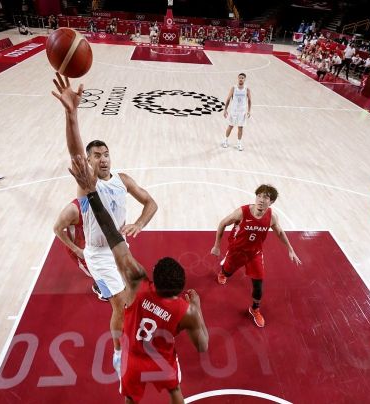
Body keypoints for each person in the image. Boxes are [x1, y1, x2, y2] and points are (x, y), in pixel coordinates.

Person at [68, 155, 209, 404]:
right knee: (176, 393)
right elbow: (202, 347)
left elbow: (112, 234)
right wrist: (198, 312)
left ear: (153, 276)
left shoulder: (137, 284)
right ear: (179, 288)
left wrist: (91, 194)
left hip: (133, 358)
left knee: (131, 399)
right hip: (162, 361)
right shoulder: (185, 310)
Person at [51, 72, 158, 373]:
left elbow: (152, 203)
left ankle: (126, 335)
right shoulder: (87, 184)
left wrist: (139, 223)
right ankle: (118, 349)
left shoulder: (123, 180)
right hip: (98, 253)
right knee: (121, 303)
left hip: (120, 248)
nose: (103, 158)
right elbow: (74, 150)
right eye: (96, 155)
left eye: (106, 154)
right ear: (88, 161)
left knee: (134, 298)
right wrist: (72, 116)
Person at [210, 184, 302, 328]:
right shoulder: (242, 212)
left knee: (258, 285)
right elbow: (222, 223)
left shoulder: (272, 216)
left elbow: (279, 232)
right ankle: (223, 272)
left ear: (271, 202)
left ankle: (254, 309)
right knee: (227, 272)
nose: (260, 200)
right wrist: (216, 246)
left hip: (255, 254)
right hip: (236, 251)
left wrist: (290, 249)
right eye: (259, 196)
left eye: (265, 197)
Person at [53, 198, 107, 301]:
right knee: (103, 276)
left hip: (94, 244)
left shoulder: (102, 199)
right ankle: (98, 287)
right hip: (80, 250)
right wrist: (77, 250)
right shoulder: (72, 210)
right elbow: (57, 229)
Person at [221, 73, 252, 151]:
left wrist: (249, 111)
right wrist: (225, 110)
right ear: (238, 78)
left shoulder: (246, 89)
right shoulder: (234, 88)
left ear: (245, 79)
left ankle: (239, 143)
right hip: (234, 111)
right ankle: (225, 140)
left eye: (242, 78)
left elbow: (249, 100)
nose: (241, 79)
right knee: (230, 126)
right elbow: (228, 99)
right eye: (240, 78)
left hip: (242, 112)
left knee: (240, 128)